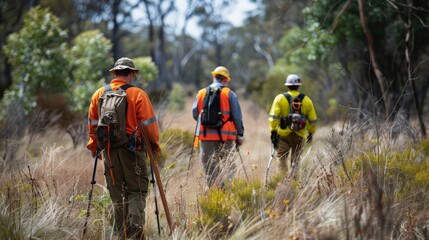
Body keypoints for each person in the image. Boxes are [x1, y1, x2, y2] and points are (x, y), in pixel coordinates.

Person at [87, 57, 160, 238]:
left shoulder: (99, 94)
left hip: (109, 151)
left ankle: (120, 234)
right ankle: (135, 233)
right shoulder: (138, 94)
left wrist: (94, 146)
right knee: (137, 190)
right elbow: (149, 125)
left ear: (115, 73)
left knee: (117, 194)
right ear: (131, 73)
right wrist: (154, 145)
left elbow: (93, 124)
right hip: (133, 152)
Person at [192, 66, 244, 188]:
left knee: (210, 168)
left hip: (206, 137)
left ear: (213, 76)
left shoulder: (201, 93)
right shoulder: (229, 94)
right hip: (226, 137)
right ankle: (227, 192)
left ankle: (212, 194)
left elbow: (195, 114)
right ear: (226, 79)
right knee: (229, 166)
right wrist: (240, 134)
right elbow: (237, 117)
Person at [268, 74, 317, 173]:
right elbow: (313, 120)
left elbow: (273, 118)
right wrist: (310, 133)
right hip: (299, 135)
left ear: (287, 85)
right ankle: (294, 182)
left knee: (281, 159)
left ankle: (284, 182)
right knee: (295, 161)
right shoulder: (307, 100)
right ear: (299, 85)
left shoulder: (279, 98)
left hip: (283, 135)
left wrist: (273, 131)